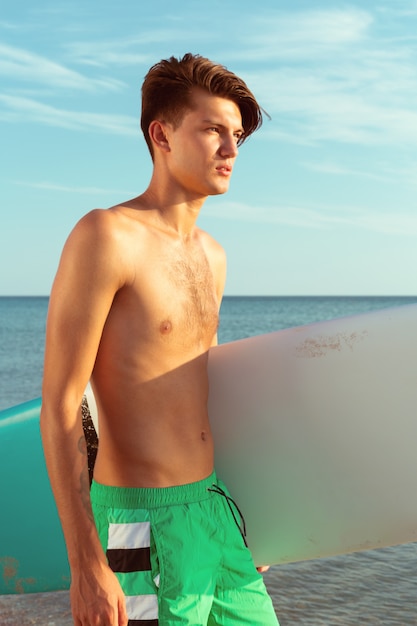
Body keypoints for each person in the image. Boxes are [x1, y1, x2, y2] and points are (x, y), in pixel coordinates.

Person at [40, 53, 279, 626]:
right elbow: (60, 404)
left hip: (214, 510)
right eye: (214, 130)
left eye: (238, 135)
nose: (231, 149)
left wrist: (250, 516)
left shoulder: (213, 256)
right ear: (161, 134)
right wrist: (86, 564)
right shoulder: (105, 236)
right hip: (138, 523)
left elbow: (203, 396)